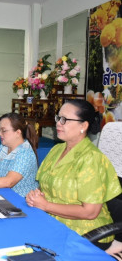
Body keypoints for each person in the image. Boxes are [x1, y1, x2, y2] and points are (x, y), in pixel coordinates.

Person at [26, 99, 122, 251]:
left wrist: (46, 205)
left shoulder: (91, 158)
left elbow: (90, 212)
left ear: (83, 126)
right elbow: (48, 185)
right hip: (55, 222)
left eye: (65, 120)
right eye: (58, 118)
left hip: (87, 233)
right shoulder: (57, 150)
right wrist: (38, 196)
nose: (58, 123)